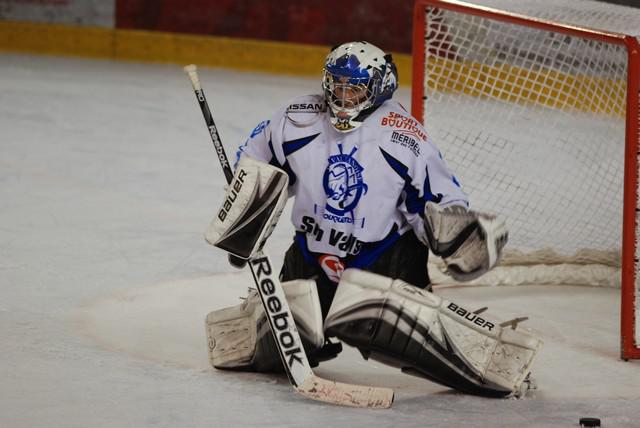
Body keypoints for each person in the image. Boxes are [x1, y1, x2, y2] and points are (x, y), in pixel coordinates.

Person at [204, 41, 540, 397]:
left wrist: (455, 231)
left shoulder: (402, 135)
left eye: (355, 88)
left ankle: (487, 360)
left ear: (378, 88)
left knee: (369, 315)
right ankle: (280, 323)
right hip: (311, 256)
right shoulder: (294, 119)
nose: (343, 96)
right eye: (337, 85)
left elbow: (438, 199)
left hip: (383, 261)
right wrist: (245, 214)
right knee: (293, 323)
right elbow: (254, 164)